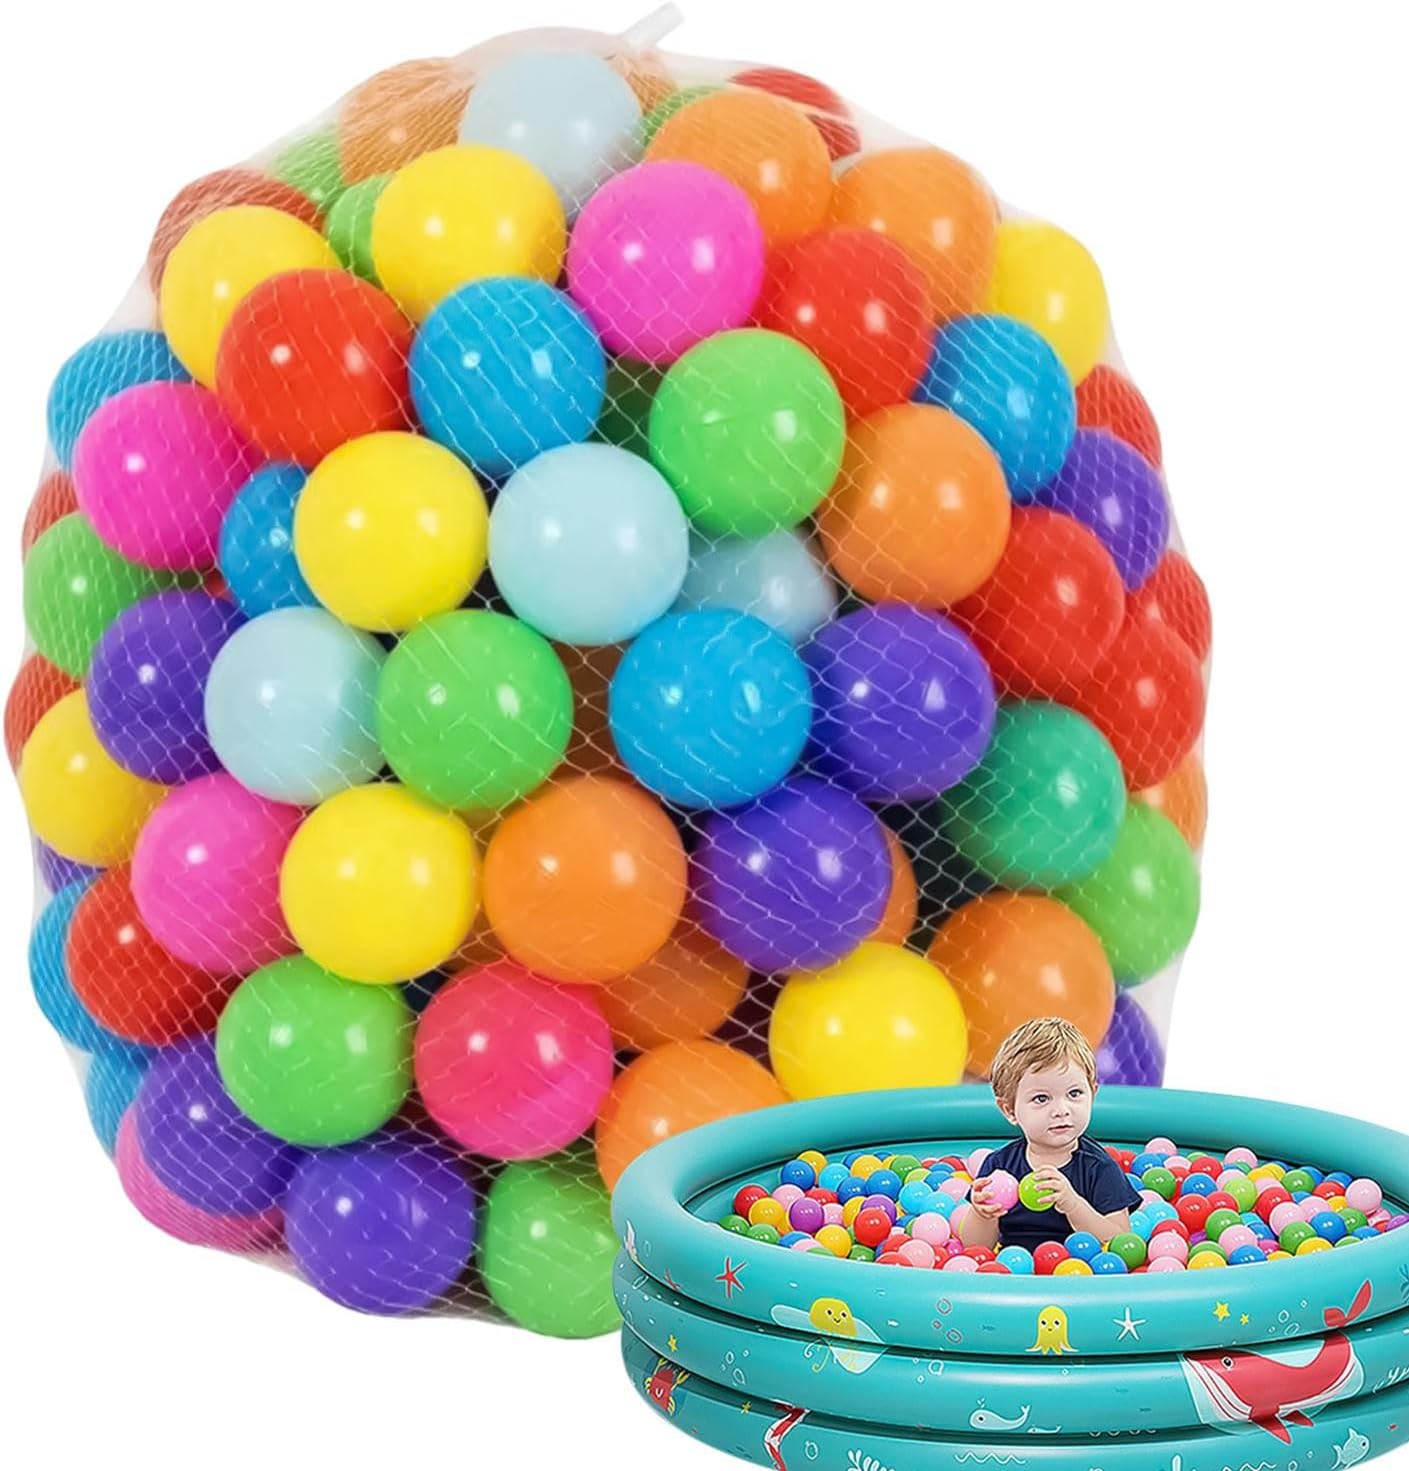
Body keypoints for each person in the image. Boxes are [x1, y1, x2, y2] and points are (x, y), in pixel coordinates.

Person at [961, 1016, 1141, 1254]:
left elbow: (1121, 1241)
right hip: (1014, 1268)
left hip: (1080, 1268)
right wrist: (982, 1213)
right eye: (1041, 1098)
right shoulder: (999, 1166)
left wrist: (1073, 1205)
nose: (1061, 1110)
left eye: (1074, 1093)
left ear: (1092, 1094)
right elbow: (976, 1247)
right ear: (1009, 1110)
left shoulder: (1099, 1168)